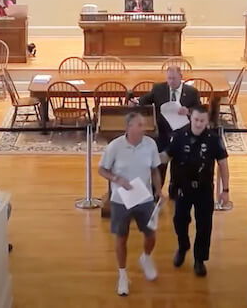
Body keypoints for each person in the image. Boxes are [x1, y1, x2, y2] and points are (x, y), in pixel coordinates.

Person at [98, 112, 164, 296]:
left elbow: (155, 170)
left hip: (144, 198)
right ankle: (122, 275)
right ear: (129, 128)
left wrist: (158, 190)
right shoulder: (115, 146)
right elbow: (102, 169)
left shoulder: (150, 144)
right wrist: (117, 179)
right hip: (121, 200)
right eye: (140, 125)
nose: (144, 128)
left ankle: (146, 257)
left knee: (151, 235)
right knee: (121, 238)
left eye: (143, 125)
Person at [163, 104, 229, 277]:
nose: (199, 124)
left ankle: (199, 259)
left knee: (204, 225)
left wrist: (226, 190)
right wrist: (149, 156)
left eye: (202, 121)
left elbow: (223, 164)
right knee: (180, 220)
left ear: (207, 121)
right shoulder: (178, 136)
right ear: (191, 118)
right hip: (182, 188)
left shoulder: (214, 139)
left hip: (204, 188)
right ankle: (183, 246)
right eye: (196, 120)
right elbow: (166, 157)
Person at [131, 66, 200, 190]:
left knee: (179, 165)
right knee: (160, 165)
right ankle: (157, 192)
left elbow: (198, 110)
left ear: (181, 77)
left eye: (174, 78)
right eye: (169, 78)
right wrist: (136, 101)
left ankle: (175, 191)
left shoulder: (191, 92)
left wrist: (188, 111)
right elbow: (145, 100)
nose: (171, 81)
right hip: (163, 133)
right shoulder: (159, 89)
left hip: (182, 134)